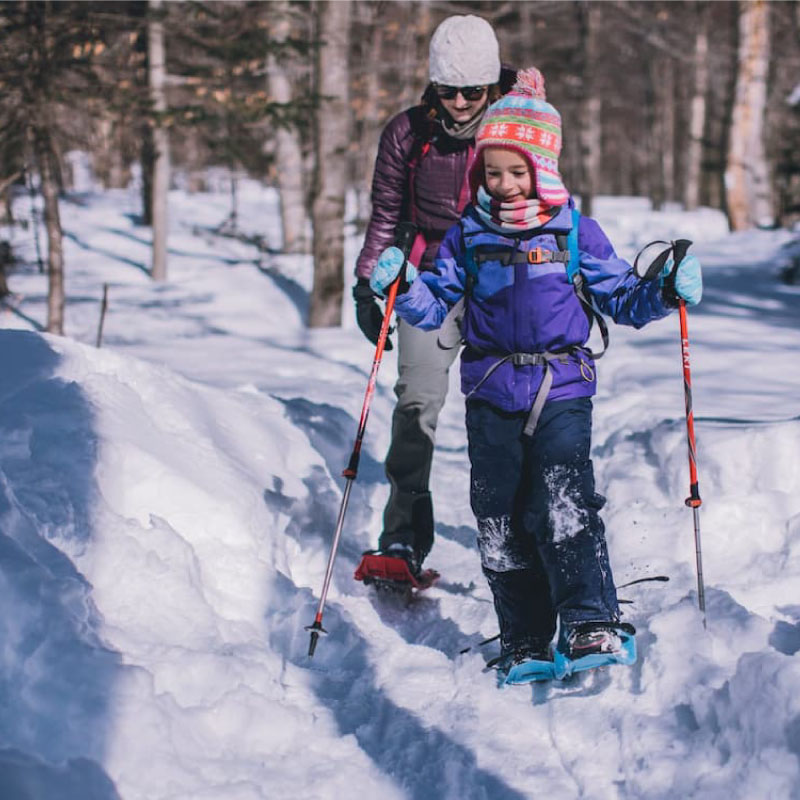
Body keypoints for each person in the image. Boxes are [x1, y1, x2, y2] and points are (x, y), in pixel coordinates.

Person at [367, 68, 703, 675]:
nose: (504, 185)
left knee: (564, 500)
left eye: (516, 171)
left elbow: (624, 299)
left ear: (542, 167)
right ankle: (523, 637)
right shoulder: (470, 234)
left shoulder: (575, 232)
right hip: (492, 389)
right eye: (492, 172)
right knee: (497, 515)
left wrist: (666, 291)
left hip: (562, 386)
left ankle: (590, 622)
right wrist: (403, 284)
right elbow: (434, 303)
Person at [354, 15, 514, 578]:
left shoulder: (516, 126)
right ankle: (401, 539)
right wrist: (368, 281)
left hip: (501, 282)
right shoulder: (408, 133)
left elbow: (545, 205)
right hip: (426, 282)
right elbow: (386, 212)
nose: (463, 102)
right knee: (416, 404)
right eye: (450, 90)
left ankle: (518, 536)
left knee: (507, 412)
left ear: (492, 84)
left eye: (474, 90)